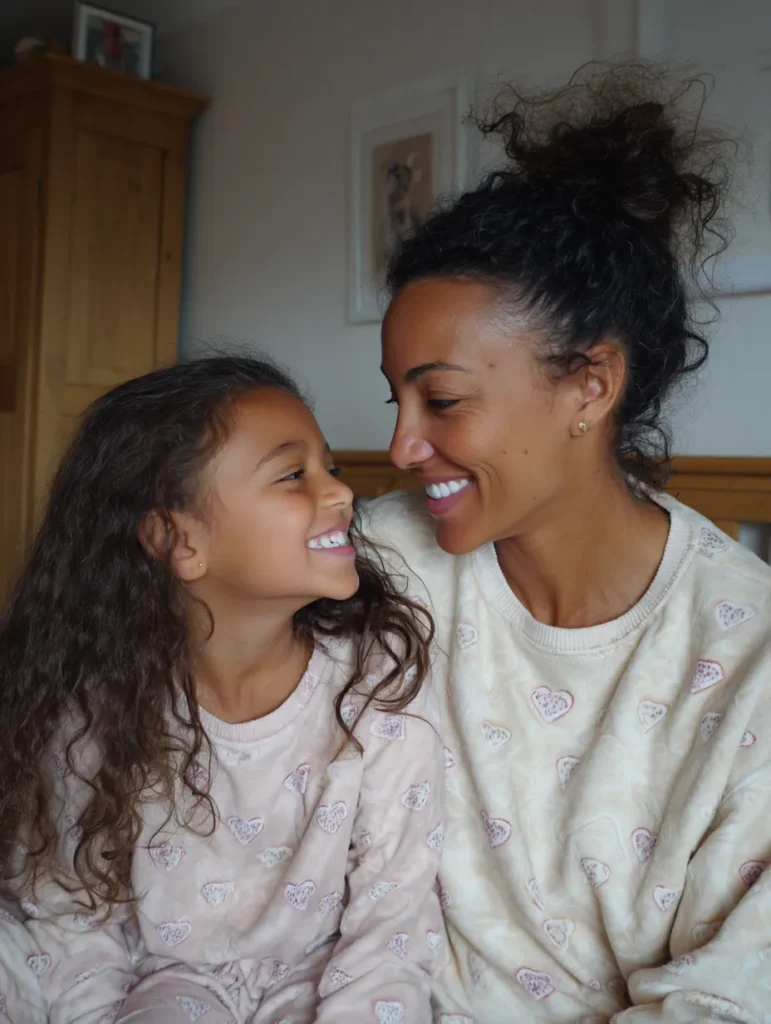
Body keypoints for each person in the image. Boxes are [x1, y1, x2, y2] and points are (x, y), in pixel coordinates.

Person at [363, 63, 771, 1022]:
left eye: (444, 399)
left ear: (590, 385)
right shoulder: (379, 559)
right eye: (397, 399)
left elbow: (729, 994)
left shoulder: (747, 656)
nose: (399, 447)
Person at [0, 357, 444, 1024]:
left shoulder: (373, 681)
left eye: (332, 468)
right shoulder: (97, 706)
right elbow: (70, 916)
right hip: (165, 986)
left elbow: (394, 916)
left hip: (324, 979)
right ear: (177, 540)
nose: (340, 495)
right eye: (294, 475)